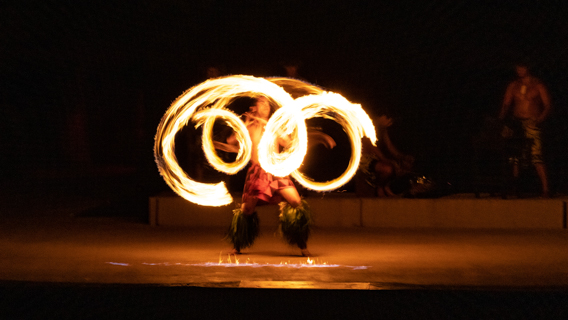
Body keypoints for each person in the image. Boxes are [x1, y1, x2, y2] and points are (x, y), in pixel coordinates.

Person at [214, 97, 334, 256]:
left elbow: (289, 143)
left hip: (277, 172)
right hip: (258, 173)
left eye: (267, 103)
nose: (265, 105)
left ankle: (302, 245)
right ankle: (237, 245)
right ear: (254, 107)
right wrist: (246, 122)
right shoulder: (248, 128)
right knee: (247, 210)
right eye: (261, 102)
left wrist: (317, 136)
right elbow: (232, 141)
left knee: (296, 202)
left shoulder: (274, 126)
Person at [498, 62, 552, 198]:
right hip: (516, 123)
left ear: (528, 68)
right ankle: (515, 188)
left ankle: (546, 189)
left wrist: (538, 120)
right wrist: (501, 121)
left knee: (536, 155)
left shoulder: (538, 85)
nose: (519, 70)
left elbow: (548, 105)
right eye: (517, 68)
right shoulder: (513, 85)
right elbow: (506, 104)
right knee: (515, 156)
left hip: (532, 123)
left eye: (522, 67)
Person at [360, 115, 414, 197]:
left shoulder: (382, 129)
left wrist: (402, 157)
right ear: (380, 118)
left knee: (406, 165)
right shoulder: (367, 129)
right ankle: (380, 187)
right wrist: (390, 162)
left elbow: (389, 146)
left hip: (377, 158)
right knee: (387, 169)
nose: (389, 120)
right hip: (365, 161)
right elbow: (375, 151)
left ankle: (389, 187)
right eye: (387, 118)